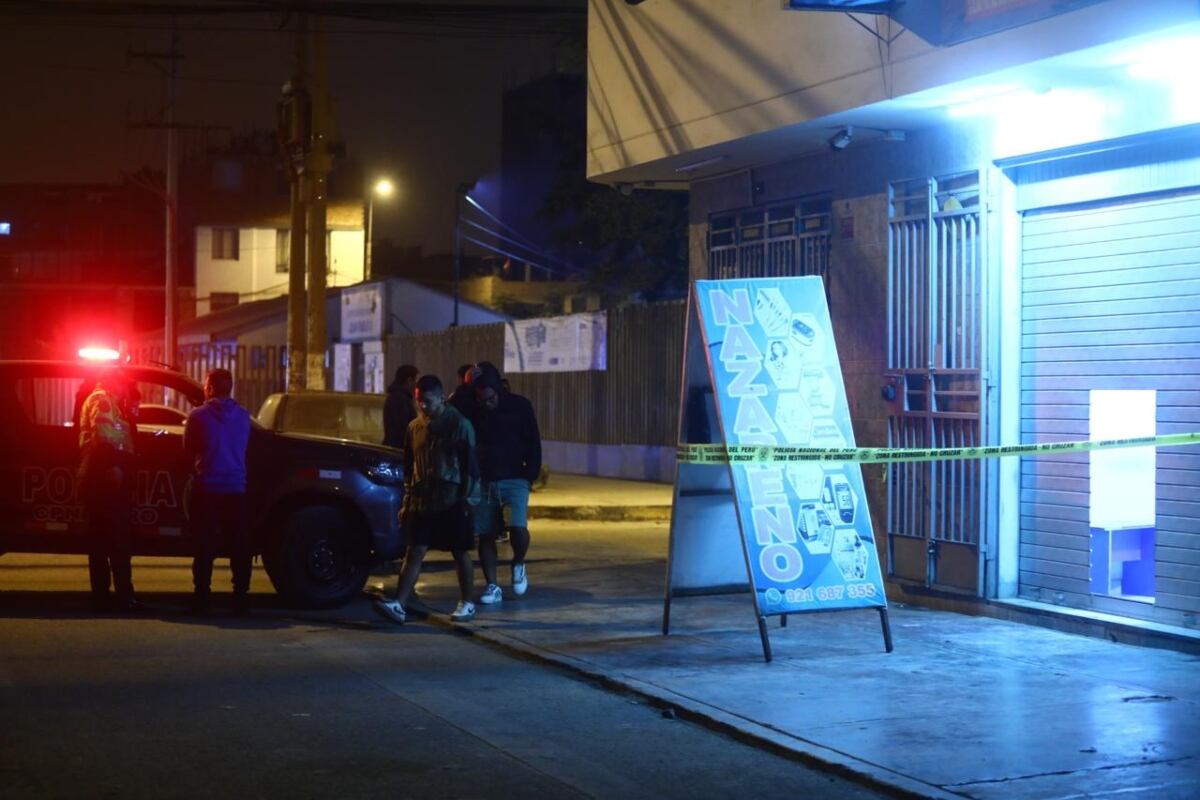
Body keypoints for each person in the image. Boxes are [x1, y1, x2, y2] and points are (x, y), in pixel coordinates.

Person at [373, 374, 479, 624]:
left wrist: (468, 501)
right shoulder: (414, 428)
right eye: (419, 401)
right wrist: (407, 501)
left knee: (460, 551)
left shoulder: (459, 425)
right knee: (414, 550)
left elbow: (471, 469)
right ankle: (399, 603)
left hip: (452, 498)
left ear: (441, 398)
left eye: (427, 401)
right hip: (423, 499)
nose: (422, 406)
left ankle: (468, 602)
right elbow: (410, 468)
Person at [184, 368, 253, 616]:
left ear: (210, 388)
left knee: (204, 547)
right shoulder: (244, 417)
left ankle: (202, 599)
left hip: (207, 488)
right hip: (236, 488)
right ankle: (241, 599)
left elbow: (188, 451)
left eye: (205, 385)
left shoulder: (198, 416)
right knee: (238, 546)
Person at [470, 368, 541, 605]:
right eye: (482, 400)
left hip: (514, 477)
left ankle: (518, 562)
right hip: (485, 479)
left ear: (499, 391)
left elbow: (533, 440)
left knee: (517, 528)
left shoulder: (520, 406)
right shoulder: (474, 410)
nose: (487, 404)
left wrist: (530, 474)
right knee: (485, 534)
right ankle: (492, 585)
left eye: (491, 398)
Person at [77, 372, 141, 612]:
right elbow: (103, 438)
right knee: (116, 541)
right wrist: (114, 467)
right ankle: (123, 598)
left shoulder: (110, 401)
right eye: (127, 384)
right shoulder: (103, 400)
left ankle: (104, 598)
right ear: (117, 382)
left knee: (102, 543)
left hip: (100, 477)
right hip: (105, 479)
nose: (128, 390)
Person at [382, 364, 419, 450]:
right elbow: (400, 430)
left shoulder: (400, 398)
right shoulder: (399, 399)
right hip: (398, 452)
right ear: (409, 381)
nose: (417, 386)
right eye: (416, 382)